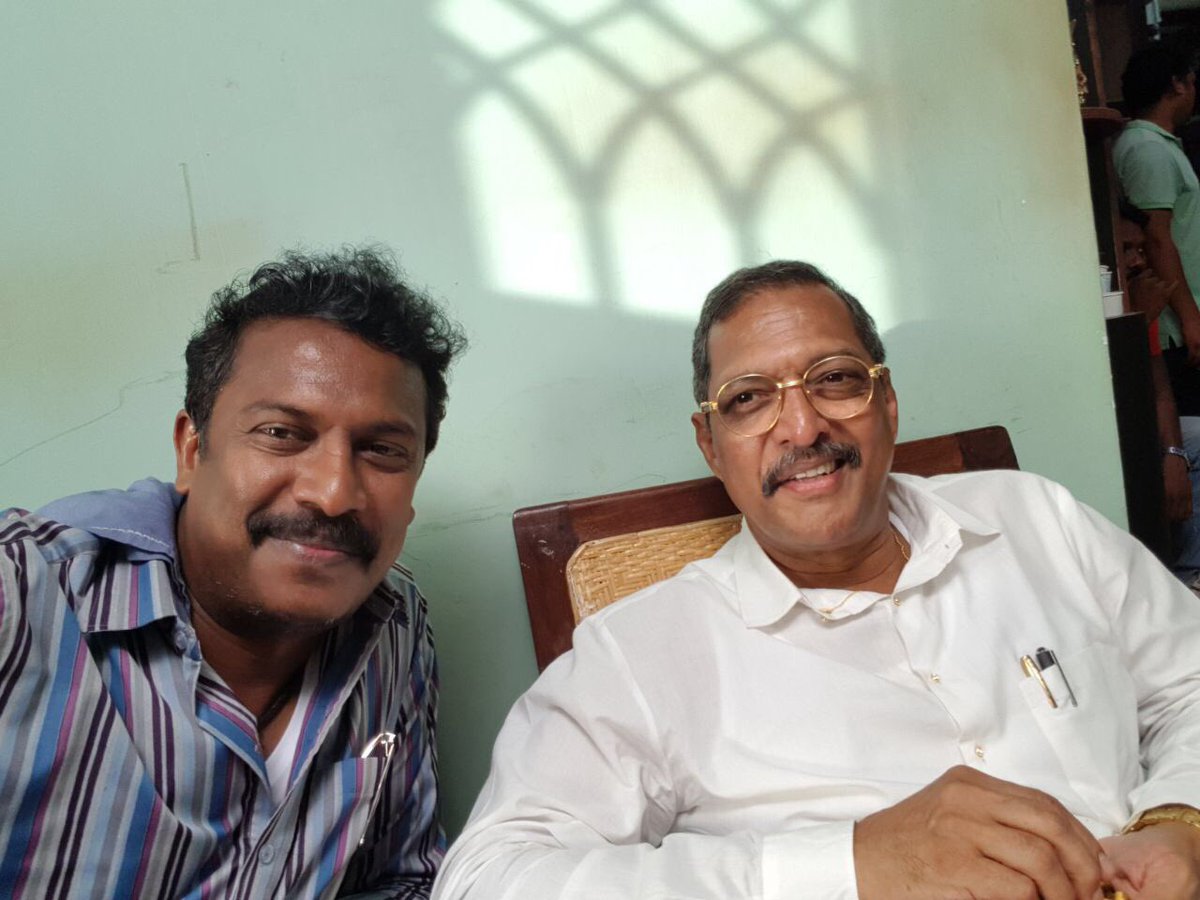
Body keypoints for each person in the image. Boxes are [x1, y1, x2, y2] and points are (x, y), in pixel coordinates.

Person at [433, 261, 1200, 900]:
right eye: (748, 400)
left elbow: (1188, 681)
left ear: (887, 403)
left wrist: (1179, 822)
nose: (802, 428)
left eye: (834, 379)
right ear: (711, 444)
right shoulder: (645, 654)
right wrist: (850, 864)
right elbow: (485, 879)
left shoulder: (1032, 519)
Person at [0, 247, 466, 898]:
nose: (334, 493)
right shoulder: (22, 591)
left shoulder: (395, 627)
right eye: (282, 434)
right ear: (192, 450)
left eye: (383, 450)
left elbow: (398, 878)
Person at [1114, 42, 1200, 377]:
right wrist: (1190, 318)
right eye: (1191, 82)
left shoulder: (1157, 145)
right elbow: (1155, 236)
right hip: (1175, 325)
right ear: (1177, 84)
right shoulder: (1148, 150)